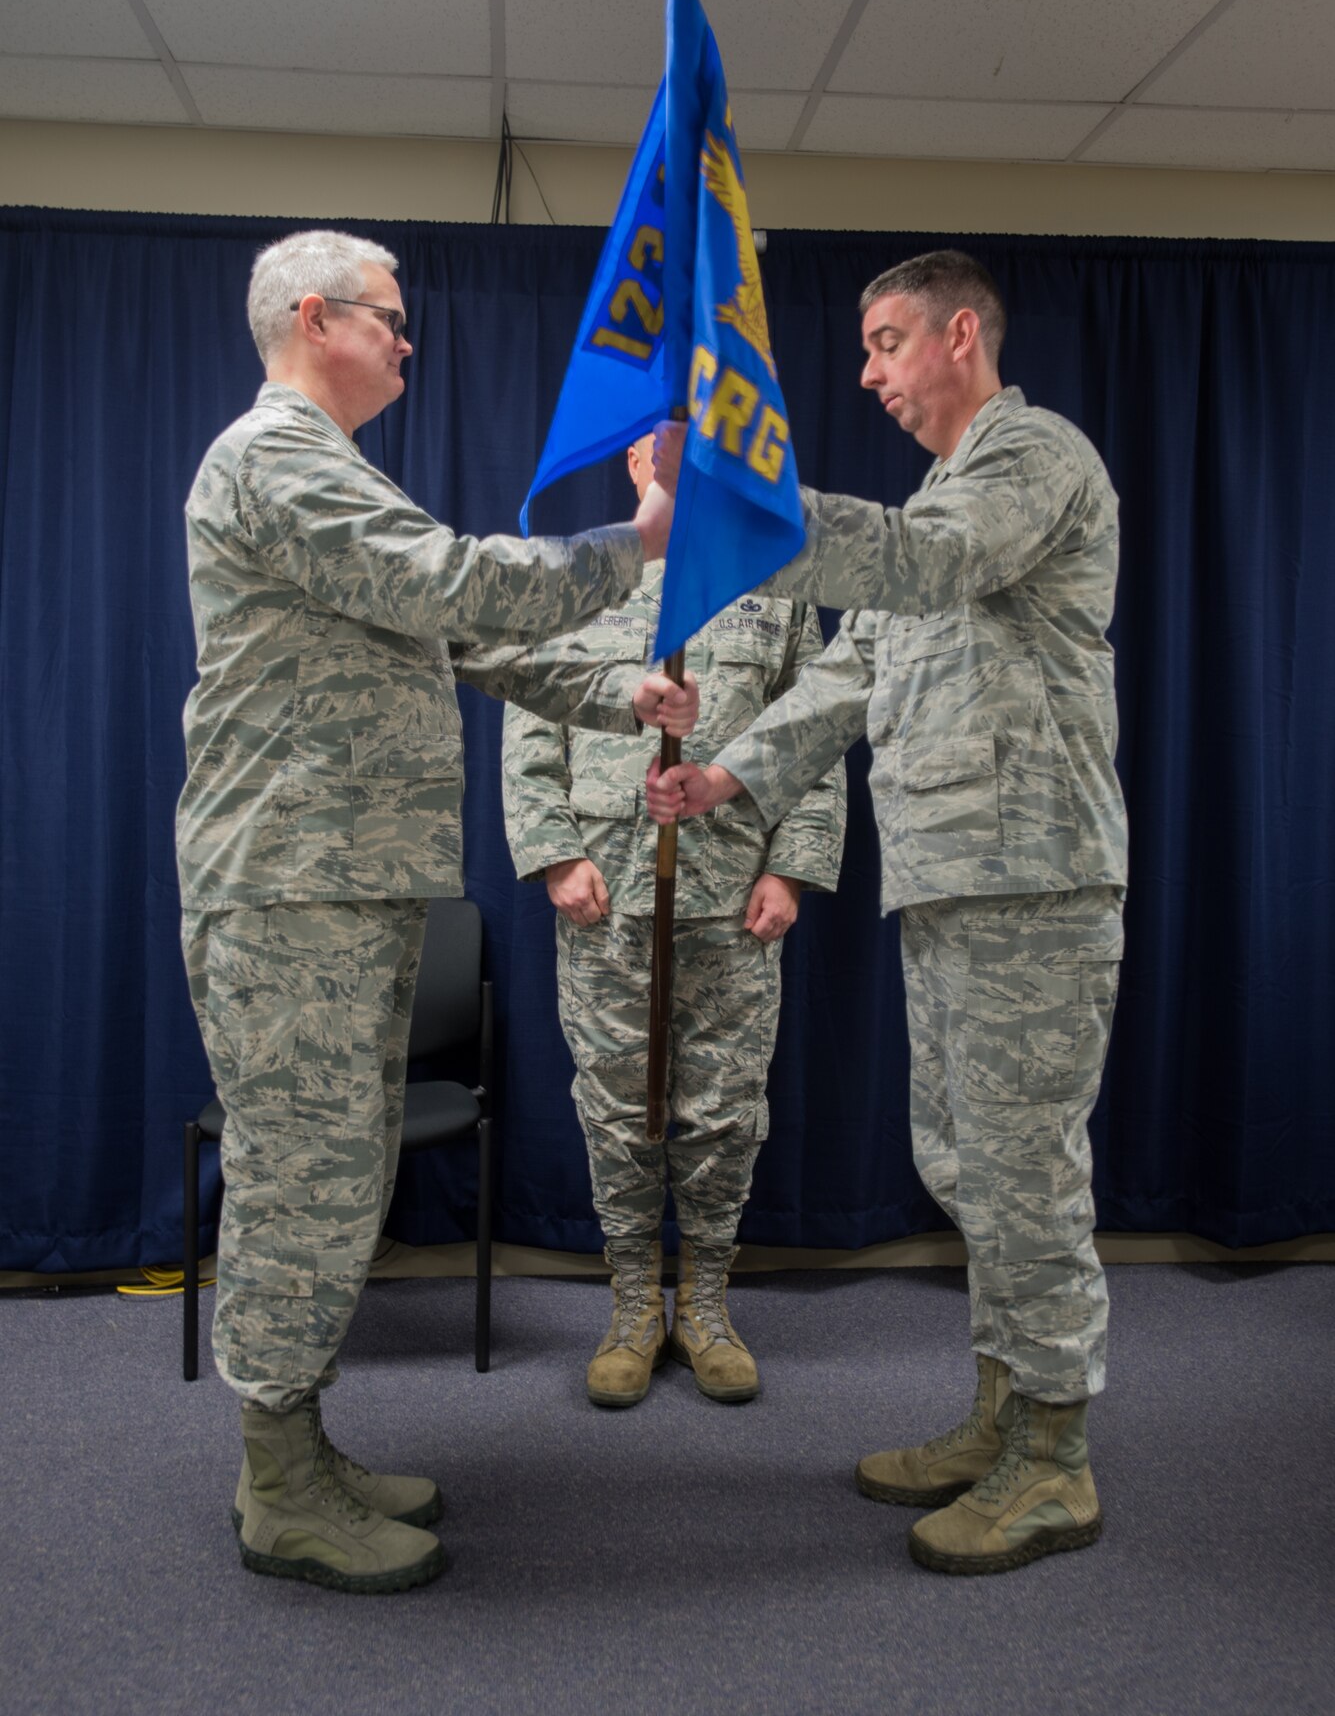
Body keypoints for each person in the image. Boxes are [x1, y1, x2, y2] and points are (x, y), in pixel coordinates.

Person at [178, 230, 694, 1594]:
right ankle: (277, 1484)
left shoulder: (333, 471)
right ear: (310, 317)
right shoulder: (272, 454)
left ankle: (298, 1442)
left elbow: (461, 642)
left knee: (338, 1173)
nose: (408, 341)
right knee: (304, 1176)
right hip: (291, 878)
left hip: (340, 877)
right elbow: (456, 584)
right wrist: (631, 544)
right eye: (388, 319)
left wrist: (613, 695)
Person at [648, 249, 1127, 1575]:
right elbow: (856, 664)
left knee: (1023, 1173)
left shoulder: (1028, 464)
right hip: (957, 875)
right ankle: (1000, 1414)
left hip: (1026, 871)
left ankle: (1052, 1463)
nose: (864, 374)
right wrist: (731, 769)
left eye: (881, 344)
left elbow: (925, 564)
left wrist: (738, 503)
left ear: (957, 333)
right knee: (969, 1164)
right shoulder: (940, 491)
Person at [501, 431, 846, 1409]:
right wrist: (557, 852)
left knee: (724, 1113)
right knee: (617, 1113)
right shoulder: (575, 580)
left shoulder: (772, 583)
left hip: (736, 902)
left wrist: (794, 865)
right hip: (605, 896)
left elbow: (814, 736)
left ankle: (705, 1305)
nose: (680, 463)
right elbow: (529, 730)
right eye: (661, 446)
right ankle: (629, 1306)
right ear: (633, 463)